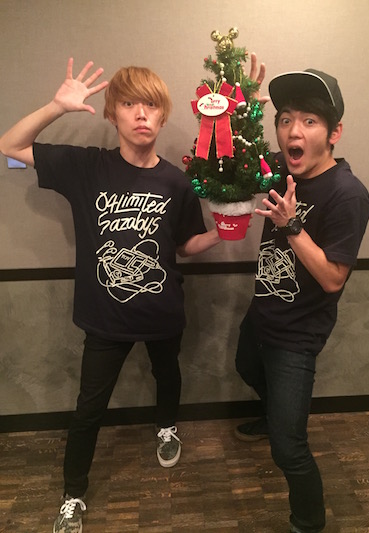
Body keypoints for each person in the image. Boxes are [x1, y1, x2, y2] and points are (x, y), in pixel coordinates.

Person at [0, 58, 221, 533]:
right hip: (105, 318)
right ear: (111, 113)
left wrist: (223, 231)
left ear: (163, 116)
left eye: (151, 106)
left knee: (168, 374)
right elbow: (9, 146)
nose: (141, 114)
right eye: (129, 104)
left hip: (162, 309)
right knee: (89, 410)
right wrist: (57, 107)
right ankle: (73, 495)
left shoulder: (176, 181)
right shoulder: (86, 167)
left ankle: (166, 427)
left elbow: (184, 246)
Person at [234, 66, 369, 532]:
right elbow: (234, 160)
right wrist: (244, 109)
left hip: (297, 336)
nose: (294, 131)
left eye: (310, 121)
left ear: (334, 133)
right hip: (262, 313)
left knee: (288, 449)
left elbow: (333, 279)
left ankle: (308, 522)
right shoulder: (280, 168)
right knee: (245, 367)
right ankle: (275, 415)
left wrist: (292, 226)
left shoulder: (348, 194)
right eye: (285, 119)